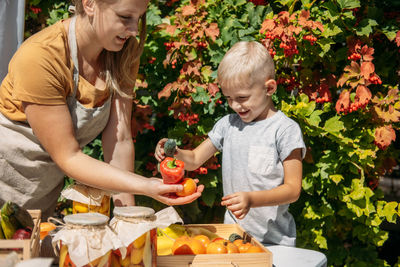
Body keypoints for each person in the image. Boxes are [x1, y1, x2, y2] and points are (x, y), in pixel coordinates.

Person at [0, 0, 203, 220]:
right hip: (6, 184)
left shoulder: (123, 51)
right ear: (89, 4)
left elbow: (120, 138)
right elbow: (69, 157)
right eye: (125, 17)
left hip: (42, 193)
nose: (135, 30)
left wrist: (128, 219)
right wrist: (145, 185)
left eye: (139, 18)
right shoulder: (41, 57)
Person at [155, 41, 306, 247]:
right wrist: (174, 152)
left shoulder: (284, 130)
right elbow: (194, 160)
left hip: (275, 241)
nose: (235, 105)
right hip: (234, 236)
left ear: (269, 88)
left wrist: (252, 199)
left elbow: (292, 189)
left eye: (242, 97)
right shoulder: (227, 125)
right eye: (228, 98)